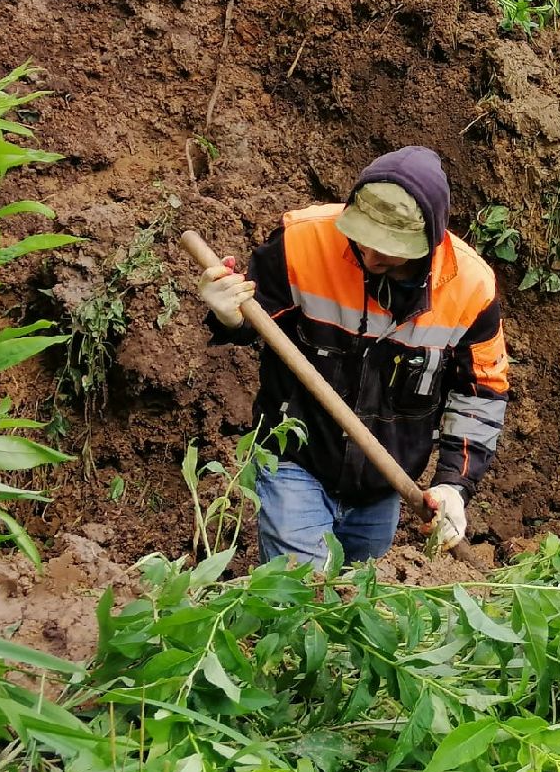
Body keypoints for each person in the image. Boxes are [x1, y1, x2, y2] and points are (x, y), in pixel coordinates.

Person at [196, 145, 509, 565]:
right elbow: (253, 317)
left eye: (389, 246)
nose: (369, 254)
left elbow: (480, 394)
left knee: (354, 608)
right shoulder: (303, 244)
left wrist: (454, 484)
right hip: (296, 460)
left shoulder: (470, 287)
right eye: (362, 237)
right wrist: (227, 313)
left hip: (385, 484)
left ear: (430, 240)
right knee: (298, 596)